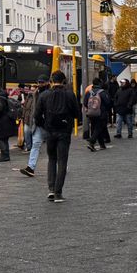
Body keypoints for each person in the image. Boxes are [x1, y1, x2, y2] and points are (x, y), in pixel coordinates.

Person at [33, 70, 81, 203]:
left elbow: (36, 116)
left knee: (52, 159)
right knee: (62, 161)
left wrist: (45, 125)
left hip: (50, 131)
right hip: (64, 132)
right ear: (64, 81)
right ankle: (58, 193)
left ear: (51, 81)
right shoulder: (70, 94)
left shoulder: (44, 95)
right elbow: (77, 114)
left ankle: (51, 189)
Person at [20, 75, 50, 178]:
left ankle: (62, 165)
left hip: (49, 125)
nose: (40, 84)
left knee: (54, 147)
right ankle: (30, 167)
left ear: (47, 82)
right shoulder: (35, 94)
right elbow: (33, 109)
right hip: (39, 124)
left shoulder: (50, 93)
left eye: (42, 82)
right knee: (35, 145)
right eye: (39, 82)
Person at [83, 76, 112, 151]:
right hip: (101, 113)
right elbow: (108, 103)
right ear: (100, 83)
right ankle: (91, 142)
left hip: (91, 114)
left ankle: (102, 145)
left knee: (96, 128)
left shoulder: (89, 92)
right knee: (99, 128)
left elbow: (85, 103)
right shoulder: (102, 92)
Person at [0, 83, 15, 162]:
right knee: (4, 139)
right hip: (7, 120)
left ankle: (4, 155)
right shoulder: (4, 96)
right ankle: (6, 155)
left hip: (1, 121)